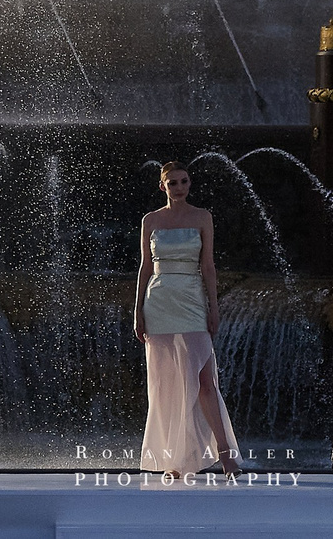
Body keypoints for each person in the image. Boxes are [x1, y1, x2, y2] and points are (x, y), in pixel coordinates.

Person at [134, 163, 238, 480]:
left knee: (205, 382)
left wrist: (214, 307)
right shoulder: (150, 220)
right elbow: (145, 267)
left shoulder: (202, 217)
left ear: (189, 183)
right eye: (172, 183)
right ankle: (175, 460)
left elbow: (208, 267)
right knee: (166, 386)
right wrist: (137, 310)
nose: (179, 187)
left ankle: (226, 457)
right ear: (162, 186)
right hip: (159, 302)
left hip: (193, 300)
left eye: (184, 181)